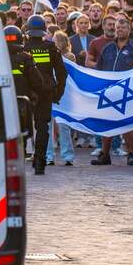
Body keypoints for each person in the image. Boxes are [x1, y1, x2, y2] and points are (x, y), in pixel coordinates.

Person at [92, 16, 133, 166]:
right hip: (108, 92)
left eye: (123, 28)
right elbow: (99, 70)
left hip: (127, 94)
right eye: (118, 28)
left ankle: (130, 154)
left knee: (127, 125)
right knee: (107, 124)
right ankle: (105, 155)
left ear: (129, 30)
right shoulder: (108, 48)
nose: (120, 30)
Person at [23, 14, 68, 175]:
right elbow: (62, 73)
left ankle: (19, 162)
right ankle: (40, 162)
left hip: (25, 95)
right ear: (44, 31)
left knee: (21, 128)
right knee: (42, 128)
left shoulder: (22, 48)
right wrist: (58, 94)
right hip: (45, 93)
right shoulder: (51, 48)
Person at [45, 31, 76, 167]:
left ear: (62, 42)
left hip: (63, 94)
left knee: (63, 125)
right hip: (50, 92)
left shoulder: (69, 57)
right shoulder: (48, 55)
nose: (53, 43)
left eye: (55, 40)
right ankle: (49, 156)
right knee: (48, 125)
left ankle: (67, 155)